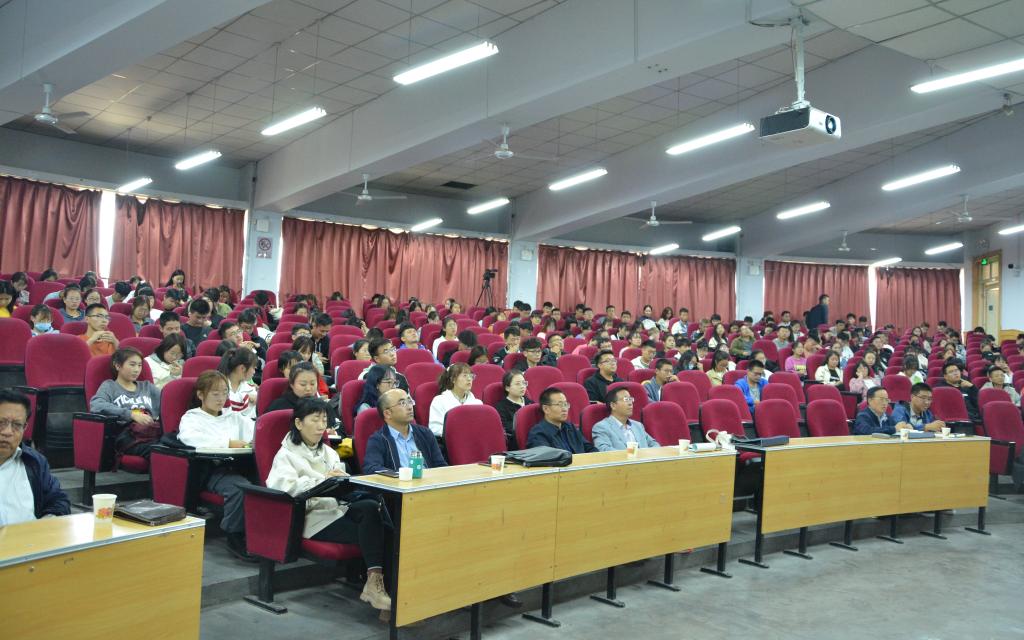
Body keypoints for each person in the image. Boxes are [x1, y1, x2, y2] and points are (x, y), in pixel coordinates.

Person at [265, 398, 391, 615]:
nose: (321, 426)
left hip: (336, 508)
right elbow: (284, 488)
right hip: (310, 516)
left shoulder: (329, 452)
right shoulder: (286, 455)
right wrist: (324, 480)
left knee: (371, 507)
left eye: (324, 420)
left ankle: (376, 584)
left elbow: (339, 482)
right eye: (315, 420)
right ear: (299, 423)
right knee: (380, 533)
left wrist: (343, 480)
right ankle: (381, 590)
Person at [176, 371, 255, 560]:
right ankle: (234, 535)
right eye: (215, 394)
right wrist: (228, 443)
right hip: (211, 469)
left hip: (240, 465)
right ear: (200, 394)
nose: (221, 399)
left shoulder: (232, 416)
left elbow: (254, 432)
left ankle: (260, 536)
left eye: (225, 393)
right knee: (240, 489)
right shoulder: (192, 418)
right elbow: (190, 438)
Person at [0, 389, 70, 524]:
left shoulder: (34, 461)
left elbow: (57, 500)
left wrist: (46, 524)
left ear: (25, 427)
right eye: (1, 422)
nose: (7, 432)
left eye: (17, 425)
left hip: (32, 536)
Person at [89, 347, 162, 459]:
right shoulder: (110, 386)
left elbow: (168, 404)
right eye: (132, 365)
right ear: (118, 366)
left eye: (139, 365)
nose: (137, 369)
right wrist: (131, 414)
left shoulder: (147, 386)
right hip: (127, 435)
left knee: (172, 448)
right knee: (159, 451)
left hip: (152, 433)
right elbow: (96, 405)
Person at [362, 389, 447, 474]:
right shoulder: (378, 440)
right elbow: (371, 468)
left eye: (410, 401)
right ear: (387, 413)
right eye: (402, 403)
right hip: (398, 481)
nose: (410, 407)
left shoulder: (425, 433)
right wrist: (400, 475)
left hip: (427, 481)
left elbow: (441, 466)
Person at [266, 363, 339, 431]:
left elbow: (337, 428)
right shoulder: (278, 407)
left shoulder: (324, 406)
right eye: (303, 384)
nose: (308, 388)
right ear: (292, 384)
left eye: (312, 384)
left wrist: (332, 432)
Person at [526, 388, 595, 454]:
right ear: (546, 409)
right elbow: (548, 459)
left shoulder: (570, 427)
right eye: (560, 404)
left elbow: (589, 448)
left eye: (565, 404)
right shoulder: (538, 434)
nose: (564, 409)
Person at [591, 387, 659, 452]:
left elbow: (655, 445)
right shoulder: (601, 427)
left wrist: (645, 454)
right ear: (613, 405)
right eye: (626, 399)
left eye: (630, 399)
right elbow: (604, 450)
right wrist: (633, 454)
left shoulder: (638, 426)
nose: (630, 403)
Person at [428, 363, 482, 437]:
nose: (469, 379)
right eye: (465, 375)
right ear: (453, 379)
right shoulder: (439, 401)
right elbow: (434, 428)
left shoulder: (478, 403)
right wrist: (458, 433)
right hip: (450, 441)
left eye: (471, 376)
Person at [218, 348, 258, 421]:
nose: (254, 372)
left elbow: (252, 417)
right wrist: (247, 398)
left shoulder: (250, 388)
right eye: (253, 368)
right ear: (242, 368)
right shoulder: (217, 385)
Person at [495, 371, 532, 449]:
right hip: (515, 445)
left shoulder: (530, 403)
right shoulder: (501, 407)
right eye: (518, 384)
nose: (522, 386)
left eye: (524, 383)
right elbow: (506, 430)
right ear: (507, 388)